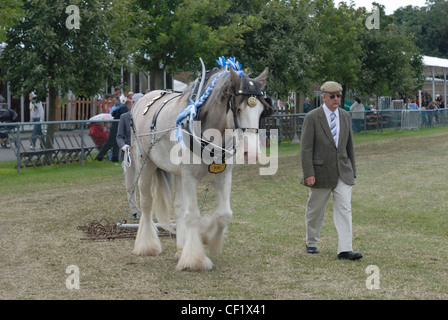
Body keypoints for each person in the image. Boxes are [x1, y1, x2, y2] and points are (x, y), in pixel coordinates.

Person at [300, 81, 362, 261]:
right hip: (320, 173)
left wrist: (353, 171)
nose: (336, 99)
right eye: (333, 96)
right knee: (315, 210)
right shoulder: (312, 117)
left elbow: (350, 146)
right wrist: (308, 173)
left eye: (339, 96)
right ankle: (311, 242)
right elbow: (306, 149)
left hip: (343, 172)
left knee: (344, 209)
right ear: (324, 97)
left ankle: (345, 249)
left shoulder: (345, 116)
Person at [116, 100, 139, 220]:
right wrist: (124, 146)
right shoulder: (124, 117)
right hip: (129, 152)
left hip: (143, 153)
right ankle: (134, 210)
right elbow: (119, 136)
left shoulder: (144, 117)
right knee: (130, 184)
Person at [95, 96, 126, 162]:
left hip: (117, 124)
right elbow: (111, 116)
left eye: (115, 100)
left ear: (118, 100)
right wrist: (109, 123)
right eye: (113, 100)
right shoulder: (116, 107)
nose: (114, 102)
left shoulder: (122, 106)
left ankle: (115, 157)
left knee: (116, 142)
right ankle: (100, 156)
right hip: (115, 124)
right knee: (110, 141)